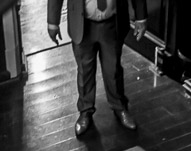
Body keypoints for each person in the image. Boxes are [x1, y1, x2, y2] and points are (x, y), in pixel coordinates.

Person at [47, 0, 147, 137]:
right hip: (82, 24)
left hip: (113, 22)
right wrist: (53, 22)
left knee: (113, 70)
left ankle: (119, 107)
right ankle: (85, 111)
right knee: (85, 71)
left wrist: (141, 17)